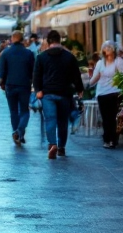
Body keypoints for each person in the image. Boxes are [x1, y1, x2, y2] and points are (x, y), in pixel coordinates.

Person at [33, 30, 85, 159]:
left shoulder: (41, 57)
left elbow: (36, 76)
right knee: (63, 121)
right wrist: (79, 89)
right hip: (64, 94)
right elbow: (76, 75)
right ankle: (61, 147)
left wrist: (38, 90)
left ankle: (52, 144)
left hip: (48, 94)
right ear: (59, 41)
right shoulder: (69, 57)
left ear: (48, 41)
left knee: (50, 119)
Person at [0, 31, 35, 145]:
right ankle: (20, 132)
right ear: (22, 39)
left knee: (13, 111)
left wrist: (2, 83)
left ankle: (17, 132)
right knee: (24, 111)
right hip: (24, 85)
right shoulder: (28, 53)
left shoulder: (5, 53)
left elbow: (1, 71)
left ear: (12, 39)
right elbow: (33, 71)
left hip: (10, 85)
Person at [89, 41, 123, 149]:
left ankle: (112, 140)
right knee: (105, 118)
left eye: (109, 47)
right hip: (101, 93)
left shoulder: (118, 62)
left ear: (113, 50)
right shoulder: (100, 63)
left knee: (112, 117)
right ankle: (107, 139)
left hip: (114, 92)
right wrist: (88, 84)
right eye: (105, 47)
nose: (107, 49)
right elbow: (95, 78)